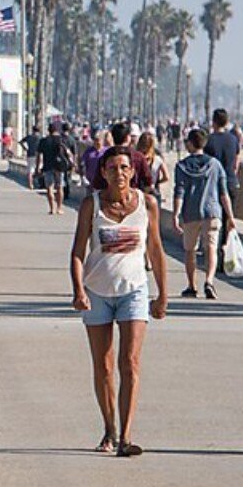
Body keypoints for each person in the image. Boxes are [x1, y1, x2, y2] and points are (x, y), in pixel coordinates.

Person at [70, 146, 169, 456]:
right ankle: (108, 430)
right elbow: (77, 251)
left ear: (133, 171)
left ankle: (126, 437)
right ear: (103, 173)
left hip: (134, 291)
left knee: (130, 363)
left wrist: (162, 294)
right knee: (103, 366)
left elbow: (155, 250)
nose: (119, 173)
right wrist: (78, 290)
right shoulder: (92, 204)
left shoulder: (147, 204)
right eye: (112, 168)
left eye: (125, 167)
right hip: (97, 291)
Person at [172, 128, 236, 299]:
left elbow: (179, 192)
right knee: (211, 248)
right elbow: (223, 193)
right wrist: (230, 216)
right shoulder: (215, 165)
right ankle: (209, 281)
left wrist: (175, 214)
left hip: (190, 213)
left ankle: (192, 286)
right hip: (212, 211)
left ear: (191, 144)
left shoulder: (181, 166)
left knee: (190, 250)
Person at [89, 121, 153, 192]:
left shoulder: (105, 157)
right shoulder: (139, 157)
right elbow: (148, 182)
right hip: (133, 199)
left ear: (112, 137)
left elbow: (97, 184)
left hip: (110, 199)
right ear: (128, 138)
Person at [204, 107, 241, 202]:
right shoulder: (233, 139)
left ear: (213, 122)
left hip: (214, 185)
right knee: (229, 215)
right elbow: (236, 163)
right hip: (231, 182)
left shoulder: (208, 140)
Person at [35, 122, 71, 215]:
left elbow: (39, 155)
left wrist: (37, 167)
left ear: (49, 130)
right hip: (59, 166)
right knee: (60, 187)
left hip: (47, 166)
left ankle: (52, 208)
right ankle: (59, 208)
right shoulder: (61, 140)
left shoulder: (44, 141)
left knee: (49, 188)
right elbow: (68, 153)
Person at [135, 131, 169, 205]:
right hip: (153, 190)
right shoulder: (157, 158)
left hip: (138, 192)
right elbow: (166, 177)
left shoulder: (135, 158)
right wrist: (157, 182)